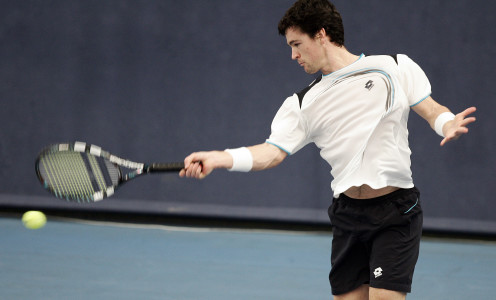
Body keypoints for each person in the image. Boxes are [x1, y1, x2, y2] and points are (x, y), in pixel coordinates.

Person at [179, 0, 477, 299]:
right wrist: (219, 158)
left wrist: (446, 123)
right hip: (348, 214)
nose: (293, 55)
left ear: (321, 35)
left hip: (396, 211)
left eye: (297, 44)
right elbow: (271, 153)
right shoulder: (302, 103)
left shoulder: (394, 66)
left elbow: (430, 108)